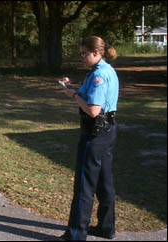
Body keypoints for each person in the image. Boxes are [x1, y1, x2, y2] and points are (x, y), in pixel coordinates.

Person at [59, 36, 119, 241]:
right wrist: (72, 89)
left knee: (84, 185)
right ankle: (106, 226)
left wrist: (73, 95)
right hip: (108, 131)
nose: (82, 57)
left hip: (94, 133)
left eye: (85, 53)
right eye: (81, 53)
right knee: (104, 181)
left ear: (96, 53)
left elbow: (93, 110)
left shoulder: (98, 76)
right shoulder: (106, 70)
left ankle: (76, 234)